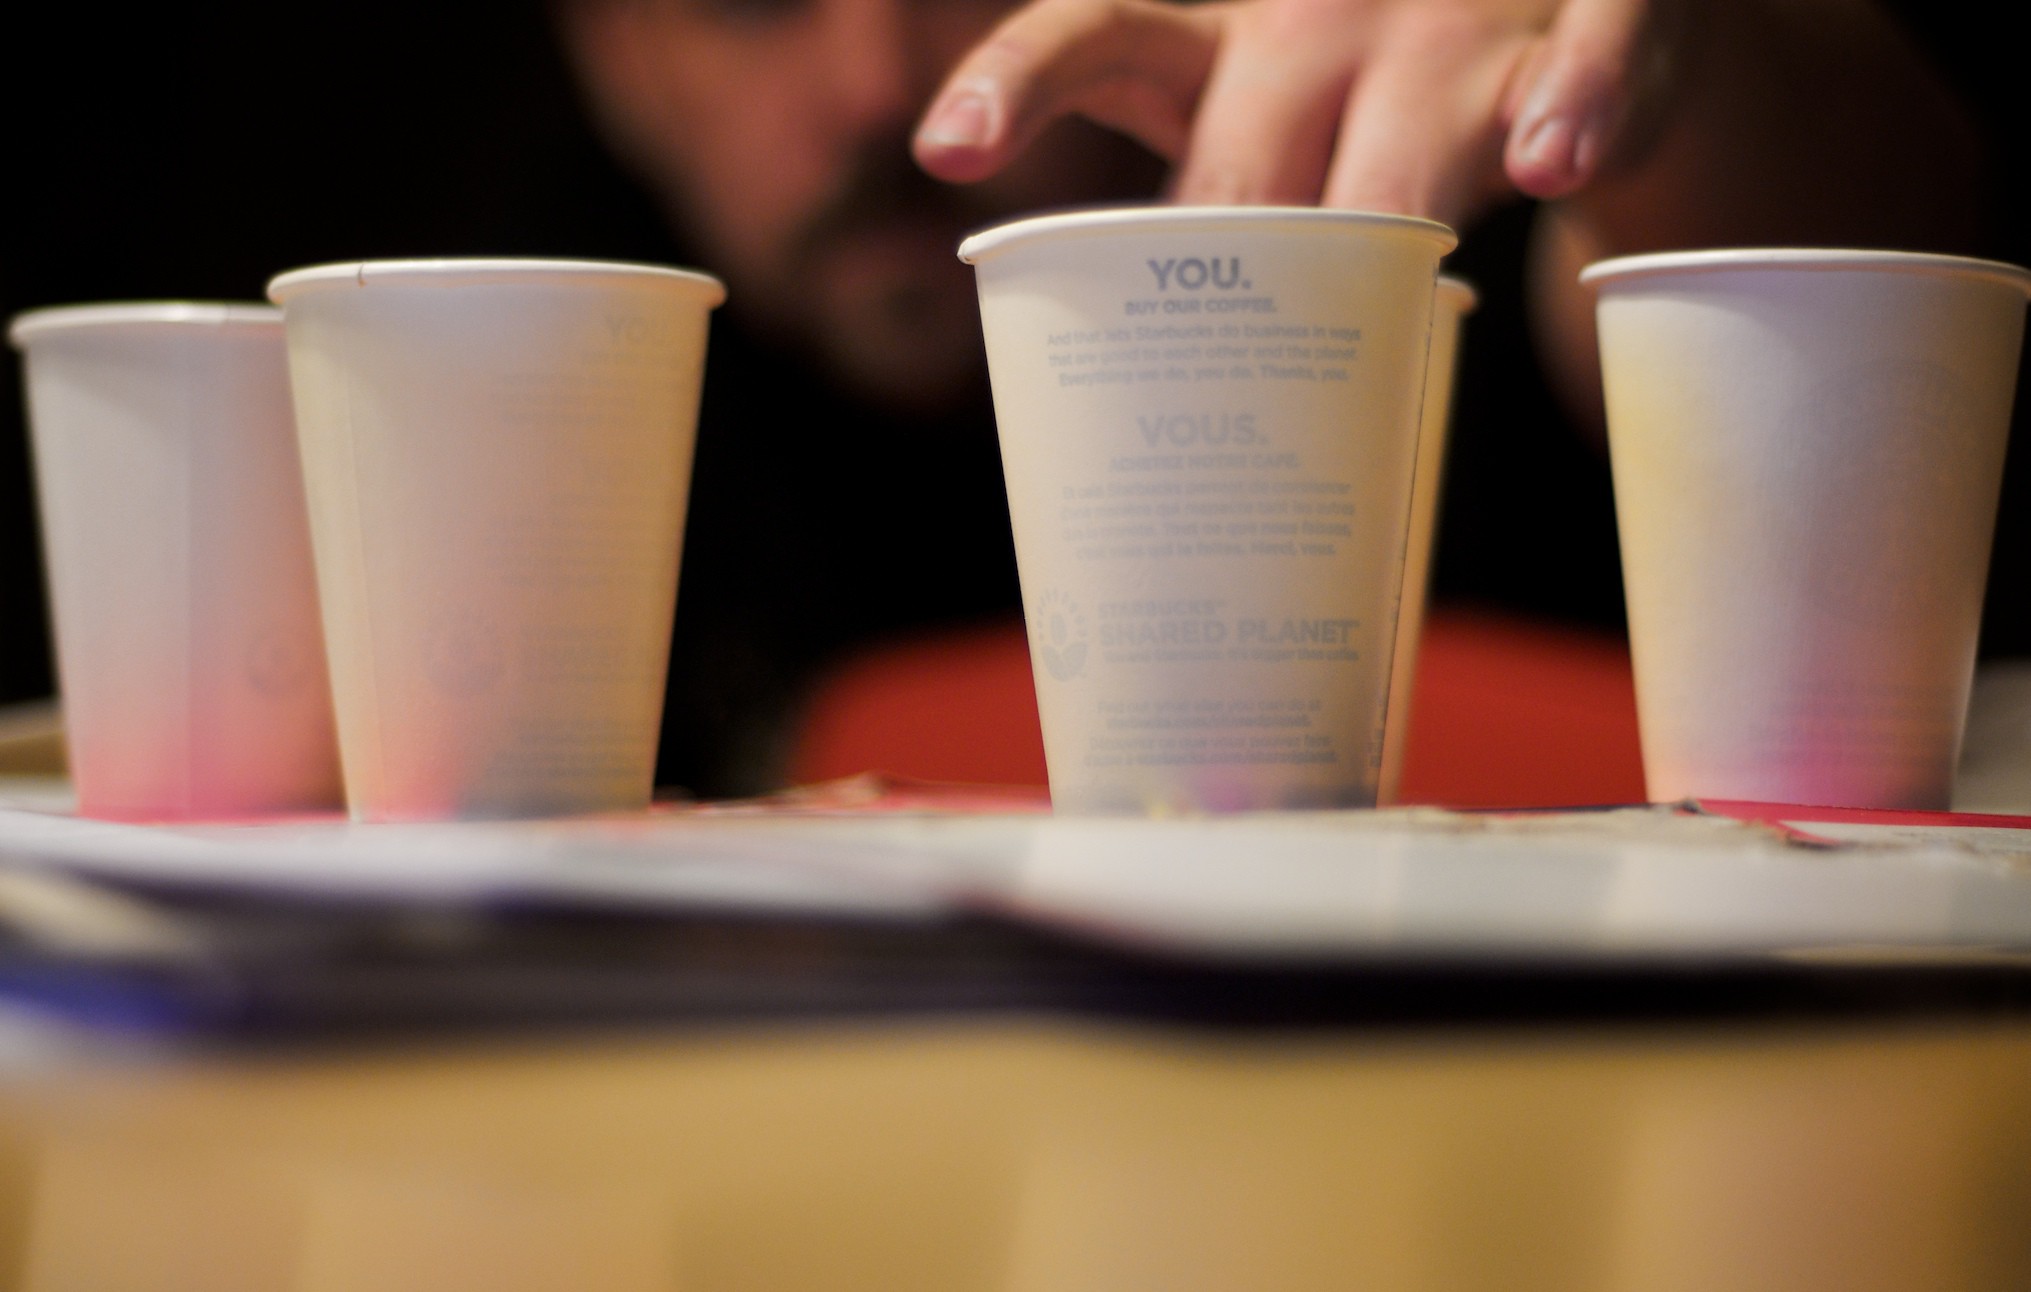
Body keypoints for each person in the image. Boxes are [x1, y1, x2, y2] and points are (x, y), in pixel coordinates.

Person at [553, 0, 2003, 795]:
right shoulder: (557, 380)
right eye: (751, 5)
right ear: (613, 62)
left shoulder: (1406, 218)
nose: (878, 78)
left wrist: (1675, 77)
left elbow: (1881, 251)